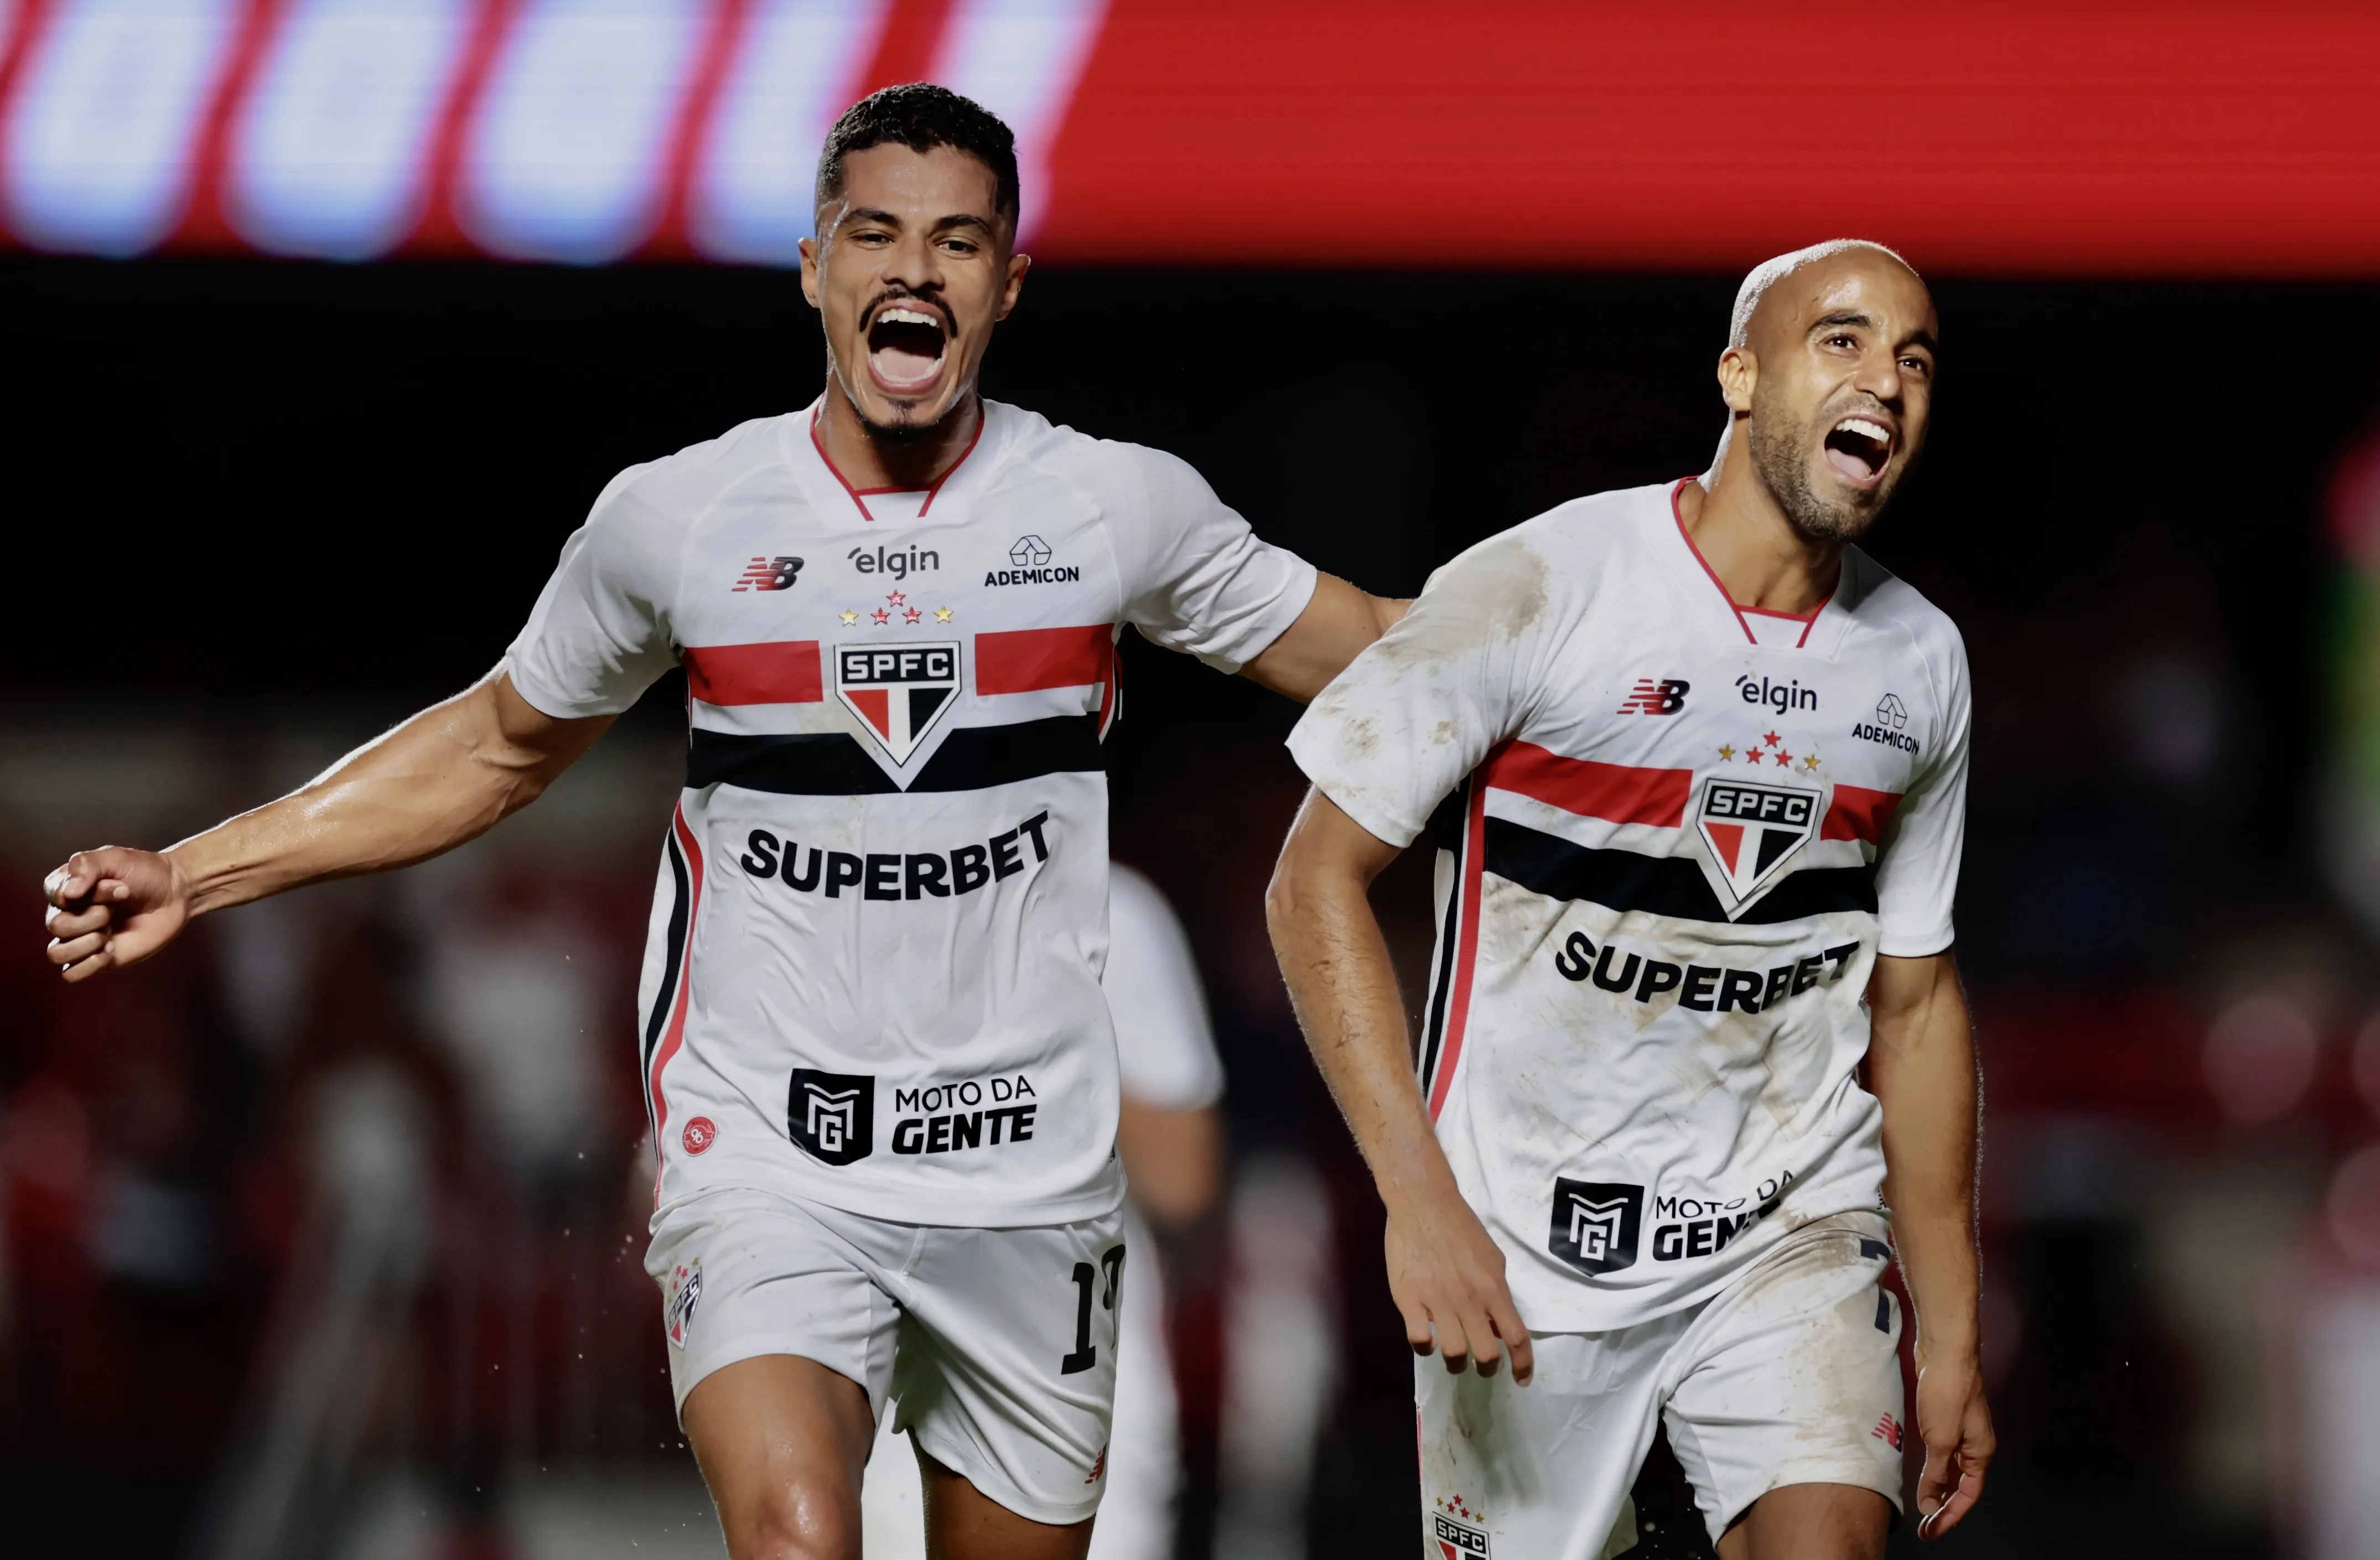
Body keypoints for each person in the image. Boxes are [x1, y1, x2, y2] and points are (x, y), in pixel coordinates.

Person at [42, 85, 1402, 1560]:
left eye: (956, 242)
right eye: (873, 233)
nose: (911, 269)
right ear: (814, 266)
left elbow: (1385, 651)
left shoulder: (1111, 508)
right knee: (799, 1533)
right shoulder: (681, 519)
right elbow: (496, 742)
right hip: (769, 1153)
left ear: (1007, 284)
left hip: (1027, 1174)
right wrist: (195, 871)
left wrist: (1588, 601)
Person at [1265, 240, 1992, 1559]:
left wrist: (1949, 1334)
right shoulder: (1546, 583)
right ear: (1738, 376)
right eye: (1839, 339)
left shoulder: (1918, 662)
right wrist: (1416, 1197)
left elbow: (1917, 1000)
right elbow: (1312, 879)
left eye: (1914, 358)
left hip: (1787, 1223)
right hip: (1523, 1248)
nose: (1884, 380)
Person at [864, 862, 1223, 1560]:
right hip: (883, 1373)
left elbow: (1184, 1178)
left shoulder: (1111, 904)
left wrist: (1032, 1035)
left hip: (1070, 1380)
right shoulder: (835, 889)